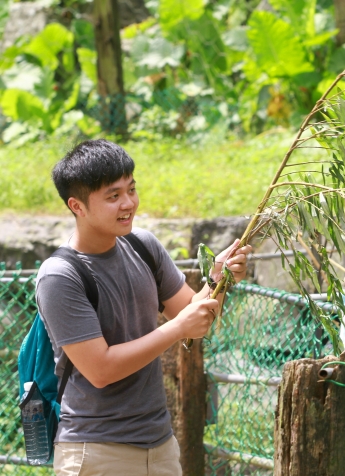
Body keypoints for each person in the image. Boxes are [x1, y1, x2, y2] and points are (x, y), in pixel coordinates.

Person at [36, 139, 252, 475]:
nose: (129, 203)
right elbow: (101, 370)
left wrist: (217, 279)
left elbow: (196, 317)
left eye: (131, 189)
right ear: (77, 206)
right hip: (96, 451)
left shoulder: (143, 245)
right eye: (113, 196)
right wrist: (176, 328)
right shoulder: (60, 276)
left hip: (160, 443)